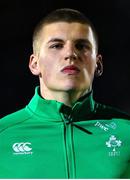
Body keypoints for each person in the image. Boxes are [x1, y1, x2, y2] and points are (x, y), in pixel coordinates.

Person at [0, 8, 130, 179]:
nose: (70, 54)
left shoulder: (126, 131)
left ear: (98, 64)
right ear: (34, 64)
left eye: (81, 46)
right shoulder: (3, 135)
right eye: (56, 46)